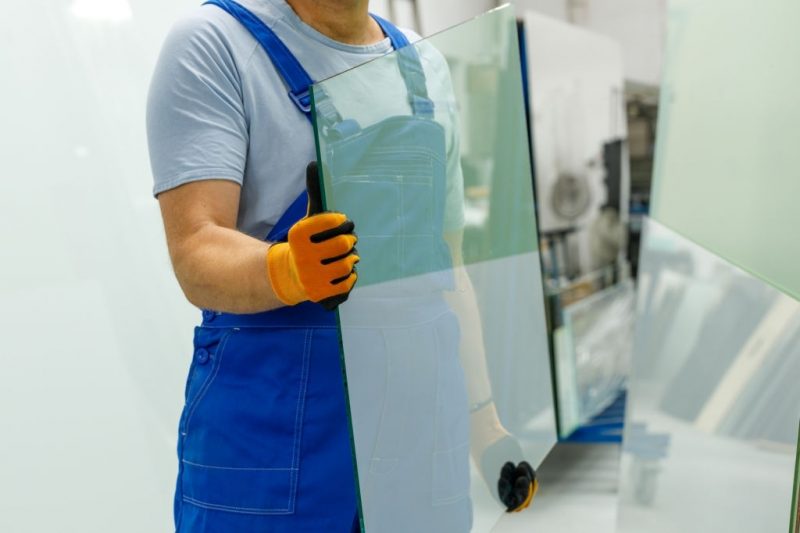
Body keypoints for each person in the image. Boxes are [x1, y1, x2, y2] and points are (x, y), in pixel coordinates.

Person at [147, 1, 536, 531]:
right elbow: (196, 248)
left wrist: (485, 424)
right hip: (275, 440)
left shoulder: (424, 69)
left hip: (419, 441)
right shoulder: (215, 43)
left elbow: (449, 271)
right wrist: (286, 270)